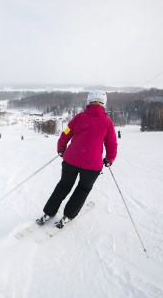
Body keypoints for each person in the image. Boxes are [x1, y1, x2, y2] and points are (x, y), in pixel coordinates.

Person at [36, 90, 118, 228]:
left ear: (89, 101)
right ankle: (68, 215)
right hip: (92, 166)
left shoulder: (79, 117)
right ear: (104, 103)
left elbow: (66, 133)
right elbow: (112, 143)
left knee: (64, 185)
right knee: (83, 189)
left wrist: (61, 149)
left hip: (71, 160)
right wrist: (109, 159)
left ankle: (49, 212)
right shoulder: (107, 122)